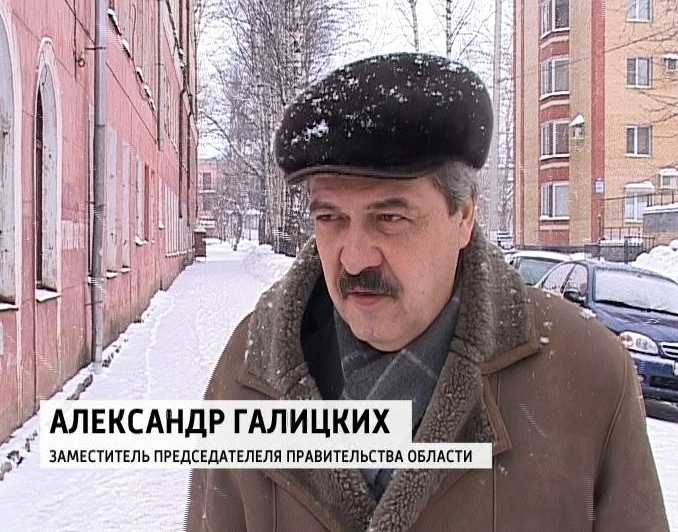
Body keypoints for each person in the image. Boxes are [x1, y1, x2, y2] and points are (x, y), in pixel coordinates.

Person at [185, 53, 668, 532]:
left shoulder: (587, 377)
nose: (354, 259)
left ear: (464, 216)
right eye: (330, 217)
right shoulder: (250, 373)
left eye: (390, 217)